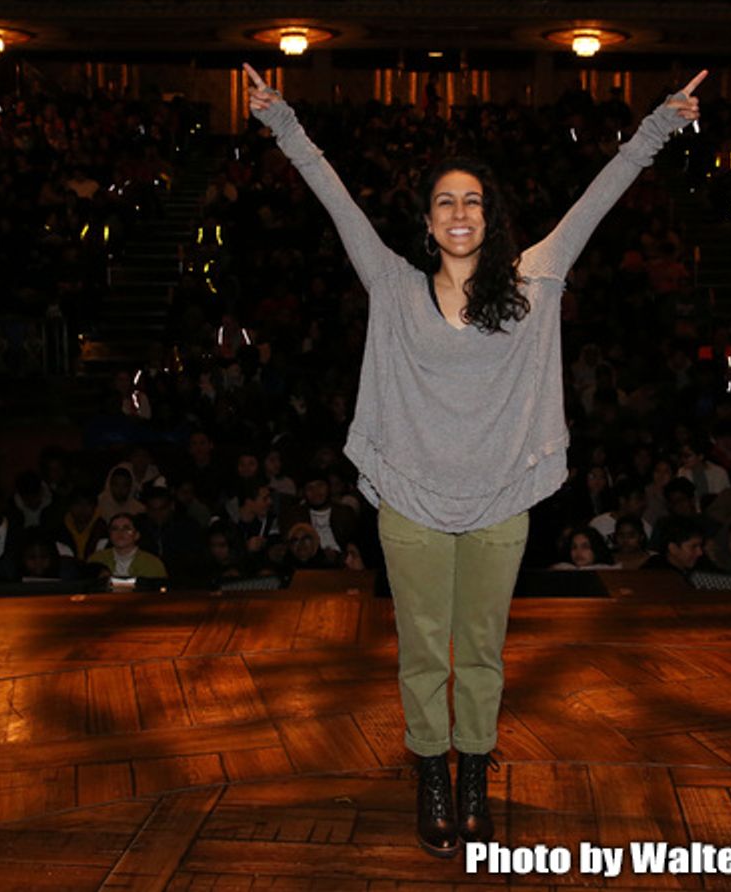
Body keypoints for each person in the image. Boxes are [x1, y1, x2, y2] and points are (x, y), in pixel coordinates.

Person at [245, 61, 704, 858]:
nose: (460, 213)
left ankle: (473, 776)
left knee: (483, 650)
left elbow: (604, 191)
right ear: (427, 222)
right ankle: (431, 770)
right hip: (413, 502)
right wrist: (283, 121)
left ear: (489, 217)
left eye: (472, 201)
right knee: (424, 648)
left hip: (500, 500)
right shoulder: (392, 284)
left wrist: (661, 124)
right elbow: (334, 200)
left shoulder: (537, 274)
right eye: (445, 202)